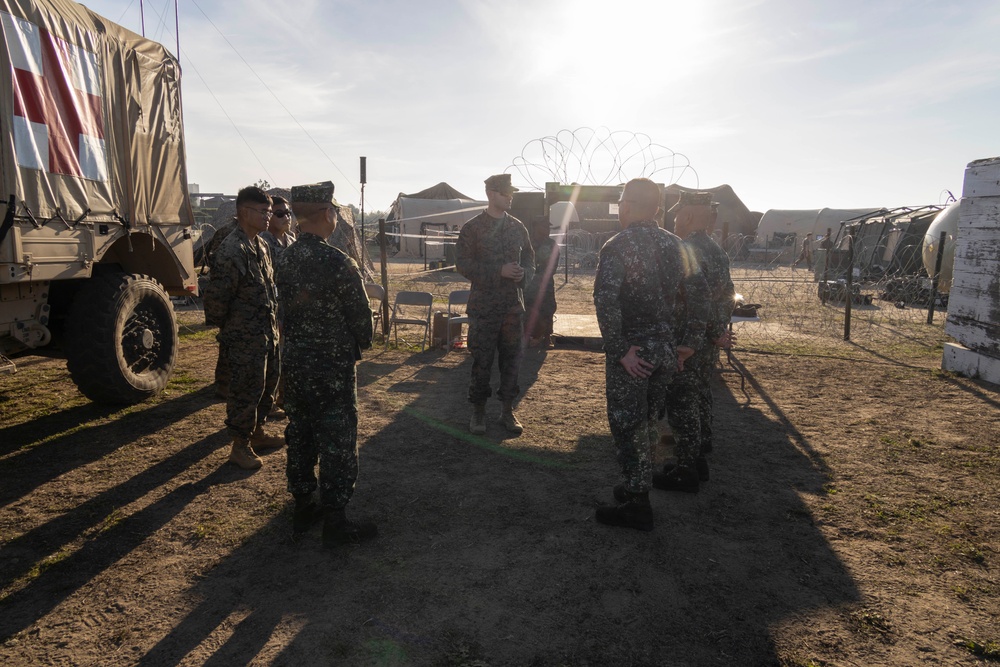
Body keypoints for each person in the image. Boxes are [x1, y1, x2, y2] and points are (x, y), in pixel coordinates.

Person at [592, 178, 708, 531]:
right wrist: (689, 343)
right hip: (665, 352)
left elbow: (606, 301)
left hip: (634, 354)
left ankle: (636, 503)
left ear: (626, 206)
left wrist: (620, 350)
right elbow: (701, 294)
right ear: (657, 209)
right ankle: (634, 485)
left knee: (628, 426)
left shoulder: (617, 245)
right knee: (647, 424)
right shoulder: (677, 244)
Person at [274, 181, 376, 546]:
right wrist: (361, 341)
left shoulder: (284, 259)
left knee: (300, 433)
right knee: (336, 439)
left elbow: (284, 312)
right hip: (331, 369)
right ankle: (336, 520)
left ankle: (304, 504)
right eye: (333, 210)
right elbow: (362, 320)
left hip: (296, 363)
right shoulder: (337, 261)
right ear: (325, 214)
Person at [654, 191, 735, 493]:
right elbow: (727, 296)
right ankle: (698, 457)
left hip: (688, 338)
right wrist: (717, 332)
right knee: (700, 395)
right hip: (706, 340)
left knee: (682, 401)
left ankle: (685, 469)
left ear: (687, 216)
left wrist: (710, 331)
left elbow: (699, 299)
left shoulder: (685, 248)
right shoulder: (716, 249)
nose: (674, 220)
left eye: (677, 215)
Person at [202, 186, 284, 470]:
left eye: (269, 211)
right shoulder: (231, 249)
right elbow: (216, 301)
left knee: (267, 384)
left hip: (266, 333)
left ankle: (258, 432)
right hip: (244, 337)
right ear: (243, 212)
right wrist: (232, 332)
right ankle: (240, 446)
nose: (267, 216)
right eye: (262, 211)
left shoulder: (261, 246)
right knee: (245, 390)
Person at [456, 173, 534, 435]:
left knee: (512, 361)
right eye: (504, 193)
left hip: (512, 308)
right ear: (490, 194)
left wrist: (524, 275)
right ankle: (478, 411)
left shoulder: (518, 227)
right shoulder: (473, 228)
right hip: (484, 308)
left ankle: (507, 411)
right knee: (482, 361)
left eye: (511, 193)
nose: (510, 197)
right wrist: (497, 271)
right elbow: (463, 264)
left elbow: (531, 259)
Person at [259, 195, 296, 421]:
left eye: (288, 213)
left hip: (291, 307)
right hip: (273, 308)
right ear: (270, 216)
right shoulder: (264, 242)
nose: (286, 217)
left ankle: (284, 397)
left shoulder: (291, 240)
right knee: (272, 358)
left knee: (287, 356)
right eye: (280, 213)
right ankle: (268, 402)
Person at [525, 217, 559, 348]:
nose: (547, 229)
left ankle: (546, 336)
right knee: (528, 310)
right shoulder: (527, 243)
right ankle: (528, 337)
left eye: (548, 227)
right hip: (529, 285)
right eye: (544, 226)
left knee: (548, 309)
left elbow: (554, 265)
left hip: (546, 284)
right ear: (536, 227)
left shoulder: (551, 244)